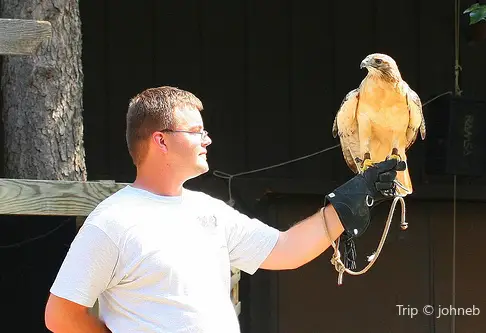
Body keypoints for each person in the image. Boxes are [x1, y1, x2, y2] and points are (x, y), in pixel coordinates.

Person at [44, 86, 405, 333]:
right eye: (196, 131)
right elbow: (61, 315)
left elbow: (286, 250)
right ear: (161, 140)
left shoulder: (209, 212)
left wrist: (352, 198)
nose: (208, 139)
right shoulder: (112, 222)